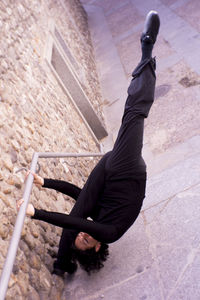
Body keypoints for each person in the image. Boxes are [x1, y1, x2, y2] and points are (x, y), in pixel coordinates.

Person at [17, 10, 160, 277]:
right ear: (96, 248)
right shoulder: (110, 232)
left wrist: (43, 182)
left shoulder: (96, 218)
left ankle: (61, 265)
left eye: (79, 238)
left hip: (108, 172)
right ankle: (147, 49)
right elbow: (71, 220)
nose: (83, 234)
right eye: (85, 241)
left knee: (80, 204)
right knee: (134, 112)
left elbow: (75, 192)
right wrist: (36, 212)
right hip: (126, 170)